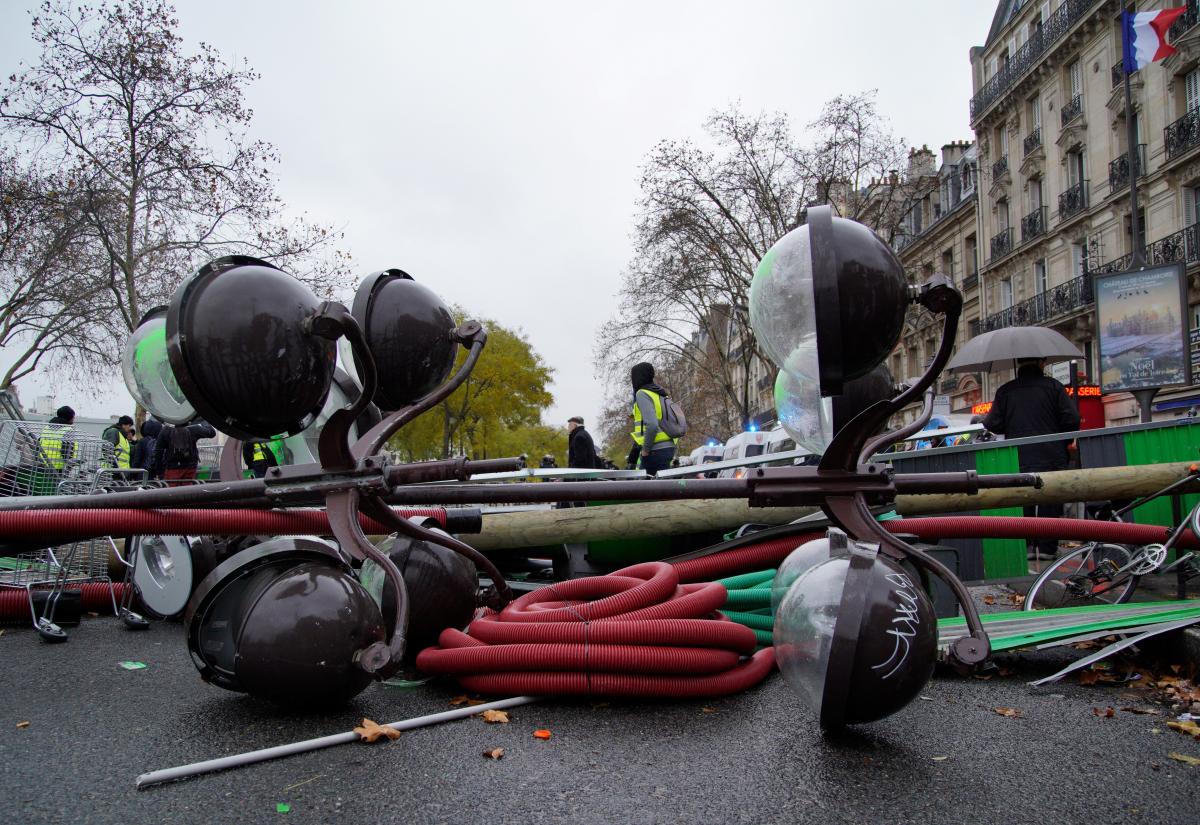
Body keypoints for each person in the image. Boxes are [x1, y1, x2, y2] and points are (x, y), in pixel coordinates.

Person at [983, 358, 1080, 559]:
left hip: (1017, 454)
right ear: (1041, 363)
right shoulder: (1054, 387)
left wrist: (1010, 424)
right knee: (1049, 499)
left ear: (1019, 364)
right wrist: (1063, 438)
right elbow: (1071, 418)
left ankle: (1026, 547)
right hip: (1051, 453)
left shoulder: (1006, 391)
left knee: (1022, 499)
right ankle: (1046, 548)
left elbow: (991, 422)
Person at [629, 362, 676, 476]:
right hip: (668, 447)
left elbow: (652, 425)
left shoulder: (642, 394)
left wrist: (645, 450)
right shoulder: (659, 393)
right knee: (660, 489)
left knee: (644, 490)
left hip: (655, 449)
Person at [152, 419, 217, 484]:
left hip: (172, 467)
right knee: (187, 491)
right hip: (190, 466)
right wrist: (201, 419)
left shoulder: (166, 430)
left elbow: (158, 451)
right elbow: (211, 433)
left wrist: (159, 473)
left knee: (171, 492)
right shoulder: (194, 428)